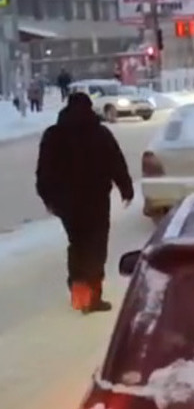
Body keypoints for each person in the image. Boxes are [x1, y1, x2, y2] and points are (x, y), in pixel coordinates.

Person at [35, 92, 135, 314]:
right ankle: (94, 296)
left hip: (66, 204)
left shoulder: (53, 135)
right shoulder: (100, 134)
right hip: (96, 200)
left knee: (77, 244)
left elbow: (44, 172)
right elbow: (116, 162)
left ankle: (79, 294)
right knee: (96, 247)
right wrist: (126, 189)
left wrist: (48, 198)